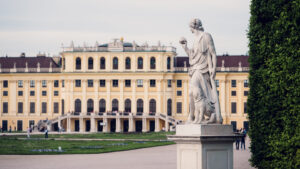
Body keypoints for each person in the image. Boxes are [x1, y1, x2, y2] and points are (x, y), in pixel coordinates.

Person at [180, 18, 222, 124]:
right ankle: (193, 116)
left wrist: (213, 68)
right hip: (196, 68)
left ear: (193, 27)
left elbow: (213, 53)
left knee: (195, 93)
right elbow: (193, 56)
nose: (190, 30)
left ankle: (198, 116)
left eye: (190, 27)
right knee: (191, 93)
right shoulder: (195, 39)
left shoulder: (206, 36)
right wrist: (185, 48)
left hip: (203, 69)